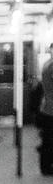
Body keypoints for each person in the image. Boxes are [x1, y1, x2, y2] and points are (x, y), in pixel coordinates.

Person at [39, 44, 53, 175]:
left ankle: (45, 166)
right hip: (51, 108)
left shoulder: (47, 64)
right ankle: (46, 167)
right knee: (49, 141)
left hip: (47, 107)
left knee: (47, 140)